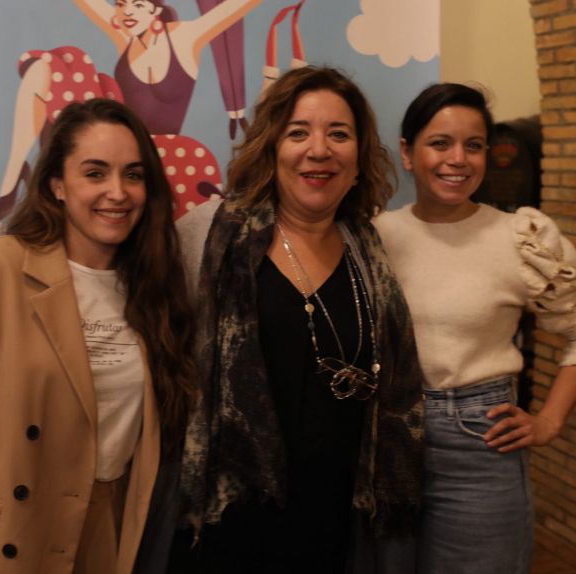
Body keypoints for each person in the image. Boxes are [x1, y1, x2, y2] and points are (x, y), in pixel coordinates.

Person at [0, 99, 196, 574]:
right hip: (3, 539)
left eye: (133, 175)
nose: (117, 192)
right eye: (95, 173)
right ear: (56, 184)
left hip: (105, 532)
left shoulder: (157, 289)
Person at [175, 66, 426, 573]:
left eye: (339, 134)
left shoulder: (371, 251)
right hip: (230, 514)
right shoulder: (209, 237)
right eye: (298, 133)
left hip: (334, 516)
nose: (319, 150)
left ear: (359, 156)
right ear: (270, 147)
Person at [375, 83, 576, 574]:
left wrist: (549, 421)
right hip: (384, 442)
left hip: (479, 443)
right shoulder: (376, 235)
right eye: (440, 143)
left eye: (474, 145)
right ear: (408, 153)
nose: (458, 159)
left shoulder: (520, 236)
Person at [0, 0, 262, 224]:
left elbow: (236, 6)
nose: (127, 11)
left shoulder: (185, 37)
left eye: (138, 5)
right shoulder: (124, 34)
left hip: (159, 155)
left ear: (155, 10)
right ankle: (12, 181)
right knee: (45, 69)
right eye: (120, 4)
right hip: (116, 148)